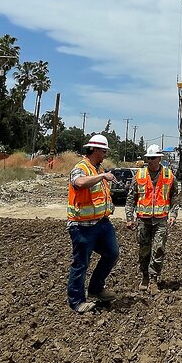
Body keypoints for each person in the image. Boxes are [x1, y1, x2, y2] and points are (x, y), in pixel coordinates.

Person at [67, 133, 120, 313]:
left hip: (101, 223)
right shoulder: (81, 167)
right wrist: (102, 177)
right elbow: (79, 183)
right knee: (81, 263)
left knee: (112, 253)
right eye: (104, 150)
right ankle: (77, 301)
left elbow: (99, 195)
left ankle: (96, 289)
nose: (105, 153)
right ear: (95, 150)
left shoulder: (98, 169)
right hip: (82, 226)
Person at [124, 143, 179, 293]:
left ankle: (154, 279)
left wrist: (173, 215)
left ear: (159, 158)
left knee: (158, 249)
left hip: (161, 220)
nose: (151, 161)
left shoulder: (169, 175)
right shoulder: (139, 176)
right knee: (144, 250)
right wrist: (130, 217)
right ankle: (145, 277)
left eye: (153, 158)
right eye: (149, 158)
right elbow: (131, 199)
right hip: (143, 220)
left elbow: (175, 197)